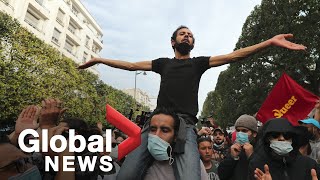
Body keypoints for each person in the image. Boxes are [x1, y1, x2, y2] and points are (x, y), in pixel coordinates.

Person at [78, 26, 306, 180]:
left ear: (193, 43)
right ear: (172, 41)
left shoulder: (198, 63)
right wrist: (100, 59)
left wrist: (269, 42)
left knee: (190, 176)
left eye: (190, 35)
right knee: (126, 175)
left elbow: (234, 55)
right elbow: (130, 66)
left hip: (185, 126)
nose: (187, 36)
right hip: (155, 125)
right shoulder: (162, 63)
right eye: (182, 34)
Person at [143, 107, 208, 180]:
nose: (156, 135)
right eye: (153, 129)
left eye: (164, 130)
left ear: (175, 137)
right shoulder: (141, 165)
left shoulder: (193, 164)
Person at [248, 118, 320, 180]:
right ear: (267, 139)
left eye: (287, 135)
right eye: (275, 135)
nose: (281, 138)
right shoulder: (257, 166)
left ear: (292, 138)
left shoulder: (309, 164)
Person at [218, 114, 258, 180]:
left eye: (244, 131)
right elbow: (222, 175)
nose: (240, 133)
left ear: (254, 134)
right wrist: (232, 157)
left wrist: (251, 156)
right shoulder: (233, 149)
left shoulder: (261, 150)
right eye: (238, 130)